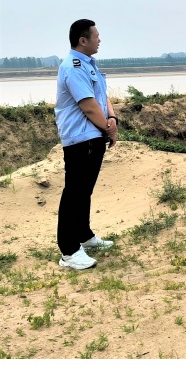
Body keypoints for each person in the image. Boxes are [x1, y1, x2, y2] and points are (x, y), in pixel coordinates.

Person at [54, 19, 118, 270]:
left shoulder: (89, 65)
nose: (99, 40)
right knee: (74, 193)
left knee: (84, 191)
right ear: (83, 40)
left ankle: (84, 235)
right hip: (80, 138)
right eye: (96, 36)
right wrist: (108, 128)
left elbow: (102, 96)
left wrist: (112, 119)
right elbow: (89, 106)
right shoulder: (73, 67)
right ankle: (69, 250)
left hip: (93, 136)